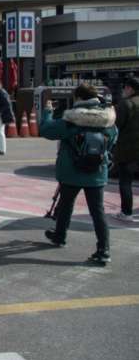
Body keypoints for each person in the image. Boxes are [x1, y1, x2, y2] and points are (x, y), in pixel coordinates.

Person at [40, 84, 118, 265]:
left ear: (79, 98)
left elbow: (46, 130)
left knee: (66, 204)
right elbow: (113, 139)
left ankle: (60, 236)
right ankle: (103, 250)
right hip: (97, 172)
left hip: (71, 172)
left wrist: (47, 112)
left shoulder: (72, 119)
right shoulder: (107, 119)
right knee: (97, 211)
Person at [113, 77, 139, 222]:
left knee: (125, 181)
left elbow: (116, 124)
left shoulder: (126, 104)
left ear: (130, 88)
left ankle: (126, 212)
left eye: (125, 88)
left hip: (129, 149)